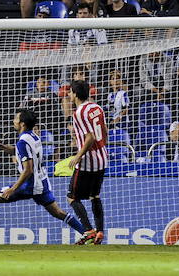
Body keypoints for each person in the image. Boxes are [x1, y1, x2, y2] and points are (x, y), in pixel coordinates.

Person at [0, 109, 87, 244]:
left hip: (29, 185)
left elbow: (28, 170)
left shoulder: (23, 142)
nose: (14, 121)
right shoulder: (33, 136)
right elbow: (16, 151)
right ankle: (86, 233)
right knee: (57, 212)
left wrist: (12, 189)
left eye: (16, 119)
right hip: (42, 183)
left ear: (22, 124)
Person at [67, 80, 108, 245]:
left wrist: (78, 156)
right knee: (94, 195)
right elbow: (104, 131)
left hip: (87, 162)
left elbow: (89, 138)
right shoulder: (97, 107)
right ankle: (100, 232)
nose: (69, 95)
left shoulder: (79, 113)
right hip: (102, 159)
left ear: (76, 94)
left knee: (72, 198)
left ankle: (88, 230)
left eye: (70, 92)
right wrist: (102, 148)